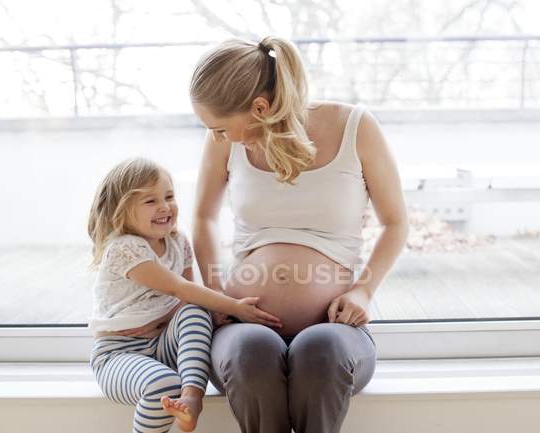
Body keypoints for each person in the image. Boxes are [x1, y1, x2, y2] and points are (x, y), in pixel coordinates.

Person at [190, 36, 409, 433]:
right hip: (244, 327)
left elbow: (396, 223)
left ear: (259, 107)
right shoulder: (223, 142)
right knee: (250, 353)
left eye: (221, 129)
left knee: (319, 351)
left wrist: (363, 291)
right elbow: (204, 216)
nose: (217, 137)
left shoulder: (355, 126)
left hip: (335, 331)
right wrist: (217, 294)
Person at [87, 157, 282, 433]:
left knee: (195, 309)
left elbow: (189, 299)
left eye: (169, 196)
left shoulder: (178, 242)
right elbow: (178, 288)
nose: (165, 206)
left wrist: (215, 314)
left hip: (165, 345)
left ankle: (192, 395)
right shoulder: (125, 248)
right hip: (119, 353)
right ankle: (181, 394)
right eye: (150, 201)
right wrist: (236, 307)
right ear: (122, 209)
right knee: (163, 385)